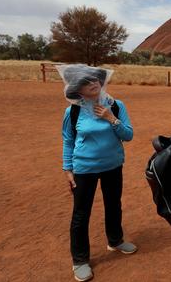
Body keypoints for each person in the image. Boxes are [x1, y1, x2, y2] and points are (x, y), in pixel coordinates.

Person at [58, 64, 136, 282]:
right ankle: (80, 260)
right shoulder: (73, 111)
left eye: (95, 79)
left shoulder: (116, 106)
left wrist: (111, 118)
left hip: (113, 165)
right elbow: (68, 140)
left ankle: (115, 240)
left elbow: (128, 135)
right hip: (84, 168)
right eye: (86, 81)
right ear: (77, 89)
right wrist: (68, 169)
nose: (93, 83)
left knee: (114, 204)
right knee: (81, 214)